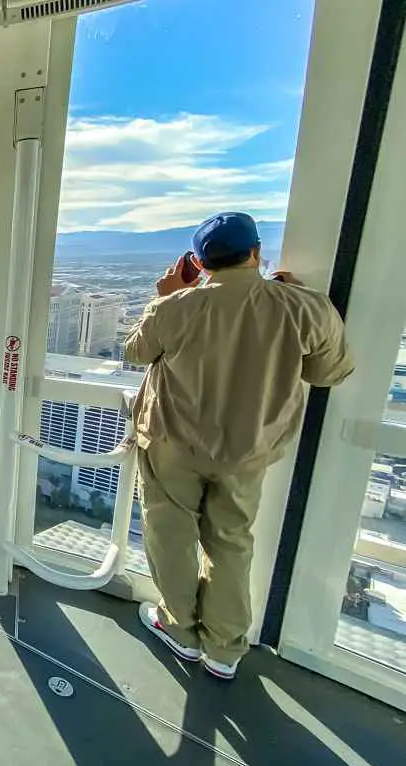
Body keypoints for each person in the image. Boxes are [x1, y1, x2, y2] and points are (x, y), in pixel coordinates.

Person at [124, 212, 353, 681]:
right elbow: (329, 373)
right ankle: (224, 649)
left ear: (200, 263)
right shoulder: (303, 308)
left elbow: (136, 353)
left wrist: (168, 296)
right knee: (231, 541)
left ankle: (180, 629)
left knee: (170, 535)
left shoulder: (176, 307)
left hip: (173, 442)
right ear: (255, 254)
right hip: (247, 451)